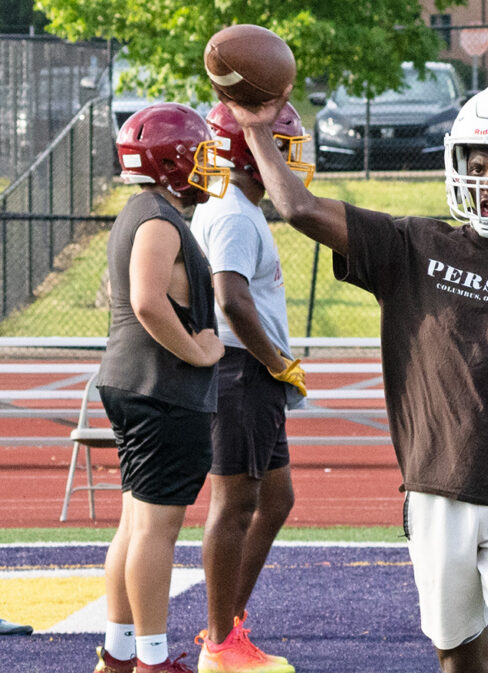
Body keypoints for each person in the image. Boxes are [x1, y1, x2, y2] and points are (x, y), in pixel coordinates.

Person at [218, 82, 488, 673]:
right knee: (458, 657)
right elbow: (300, 209)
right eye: (478, 167)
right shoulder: (414, 244)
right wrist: (255, 126)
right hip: (435, 487)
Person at [93, 102, 228, 673]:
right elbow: (148, 300)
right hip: (159, 389)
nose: (205, 166)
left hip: (139, 384)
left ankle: (120, 655)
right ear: (170, 160)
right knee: (154, 529)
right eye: (197, 155)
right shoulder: (156, 218)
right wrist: (197, 348)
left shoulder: (144, 210)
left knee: (135, 523)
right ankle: (151, 659)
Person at [189, 102, 312, 673]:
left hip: (251, 373)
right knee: (235, 503)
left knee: (276, 499)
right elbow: (231, 297)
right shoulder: (235, 213)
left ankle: (228, 622)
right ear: (250, 151)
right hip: (241, 372)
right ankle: (219, 643)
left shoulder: (239, 206)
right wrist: (275, 359)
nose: (292, 161)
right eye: (283, 148)